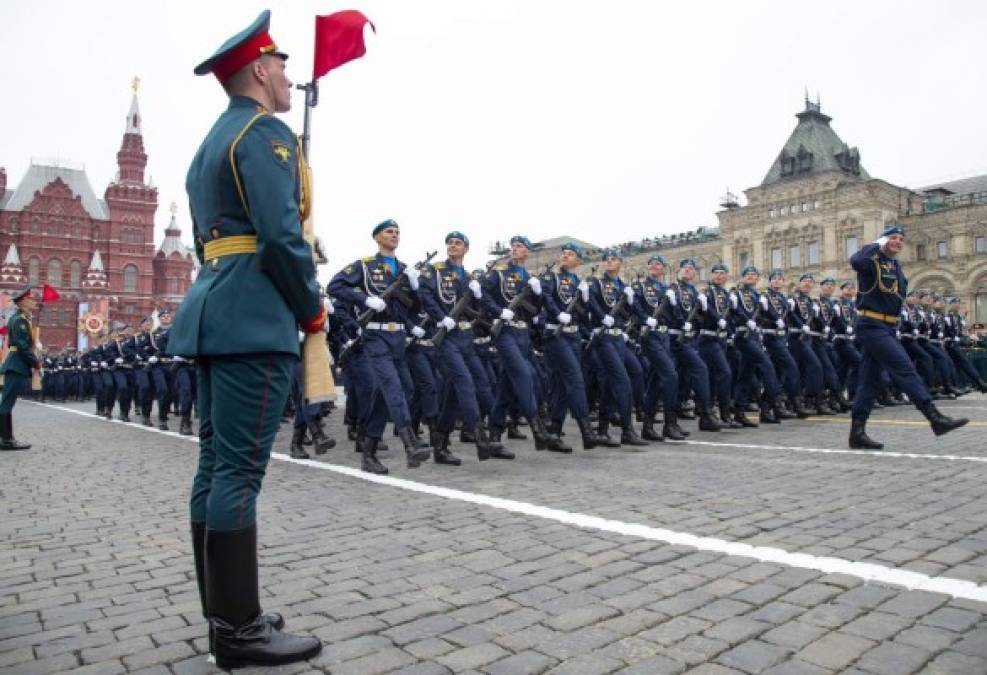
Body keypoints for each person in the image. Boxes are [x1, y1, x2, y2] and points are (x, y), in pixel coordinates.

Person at [168, 10, 324, 668]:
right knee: (236, 472)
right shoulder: (265, 133)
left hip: (214, 307)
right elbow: (281, 237)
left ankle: (223, 615)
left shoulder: (213, 141)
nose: (291, 76)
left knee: (214, 468)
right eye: (283, 64)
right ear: (260, 69)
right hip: (252, 314)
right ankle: (238, 629)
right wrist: (311, 309)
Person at [848, 225, 967, 449]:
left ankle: (857, 433)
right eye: (893, 238)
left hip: (888, 326)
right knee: (904, 368)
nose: (898, 242)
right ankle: (935, 418)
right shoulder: (871, 260)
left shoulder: (895, 265)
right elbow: (855, 261)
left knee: (869, 381)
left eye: (901, 239)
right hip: (871, 324)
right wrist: (876, 244)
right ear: (883, 241)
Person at [327, 220, 433, 473]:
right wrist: (365, 299)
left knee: (396, 391)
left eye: (397, 232)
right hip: (375, 337)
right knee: (393, 387)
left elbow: (414, 308)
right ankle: (410, 443)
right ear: (377, 237)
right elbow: (335, 286)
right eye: (389, 232)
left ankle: (369, 452)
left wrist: (416, 287)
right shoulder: (364, 266)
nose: (394, 235)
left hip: (398, 338)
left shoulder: (405, 270)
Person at [0, 286, 38, 450]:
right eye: (31, 298)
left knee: (7, 403)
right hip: (16, 365)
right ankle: (6, 440)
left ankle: (7, 438)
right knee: (6, 404)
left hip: (15, 364)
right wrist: (35, 362)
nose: (33, 301)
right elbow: (22, 346)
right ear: (23, 301)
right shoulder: (20, 320)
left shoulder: (20, 318)